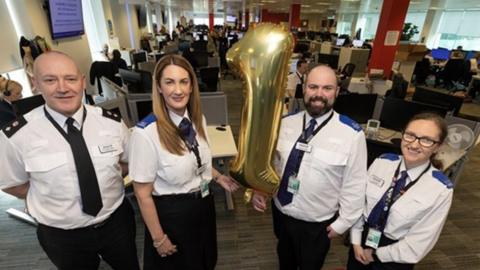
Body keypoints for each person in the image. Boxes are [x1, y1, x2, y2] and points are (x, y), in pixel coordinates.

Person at [0, 51, 140, 270]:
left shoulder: (110, 122)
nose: (63, 88)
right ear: (35, 84)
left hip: (116, 223)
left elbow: (126, 162)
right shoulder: (16, 136)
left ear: (83, 82)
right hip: (61, 236)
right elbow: (13, 184)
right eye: (50, 80)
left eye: (70, 79)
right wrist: (53, 195)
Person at [128, 54, 239, 270]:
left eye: (183, 82)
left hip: (204, 206)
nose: (177, 90)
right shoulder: (146, 133)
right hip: (173, 215)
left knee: (205, 260)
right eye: (169, 82)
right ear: (159, 87)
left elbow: (199, 160)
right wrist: (158, 238)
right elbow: (142, 195)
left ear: (191, 87)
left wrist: (217, 177)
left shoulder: (198, 120)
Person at [252, 65, 368, 270]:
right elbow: (273, 164)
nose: (319, 94)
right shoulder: (286, 123)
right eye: (313, 87)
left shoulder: (352, 134)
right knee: (285, 260)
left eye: (327, 88)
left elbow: (355, 185)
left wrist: (342, 224)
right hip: (281, 212)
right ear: (304, 88)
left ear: (337, 92)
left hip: (317, 223)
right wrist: (261, 188)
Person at [347, 112, 453, 270]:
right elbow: (359, 204)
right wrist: (355, 241)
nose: (415, 145)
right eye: (410, 135)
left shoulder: (440, 189)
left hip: (395, 257)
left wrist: (376, 255)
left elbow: (419, 243)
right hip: (361, 241)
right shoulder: (382, 162)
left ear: (438, 146)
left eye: (426, 140)